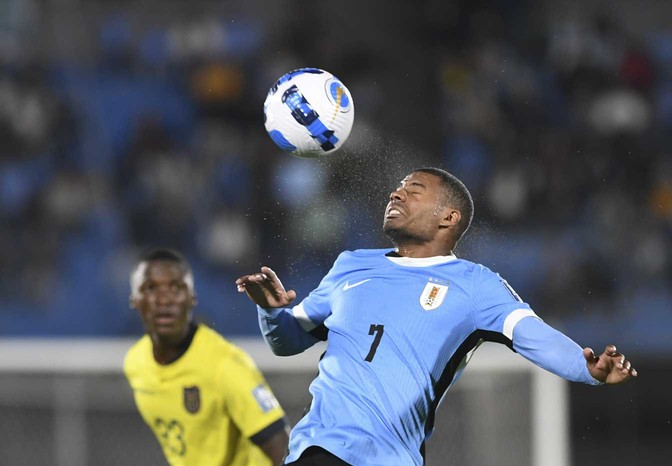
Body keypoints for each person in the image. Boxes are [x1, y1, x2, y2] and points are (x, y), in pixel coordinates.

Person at [236, 167, 638, 466]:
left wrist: (586, 368)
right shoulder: (350, 265)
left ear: (449, 217)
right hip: (320, 446)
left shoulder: (474, 285)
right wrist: (271, 310)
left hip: (390, 456)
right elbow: (286, 341)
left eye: (414, 190)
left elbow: (531, 334)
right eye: (397, 188)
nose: (397, 194)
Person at [124, 248, 289, 466]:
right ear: (135, 299)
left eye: (176, 287)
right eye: (151, 288)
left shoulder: (224, 364)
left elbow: (283, 446)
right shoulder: (135, 363)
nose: (164, 300)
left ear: (192, 298)